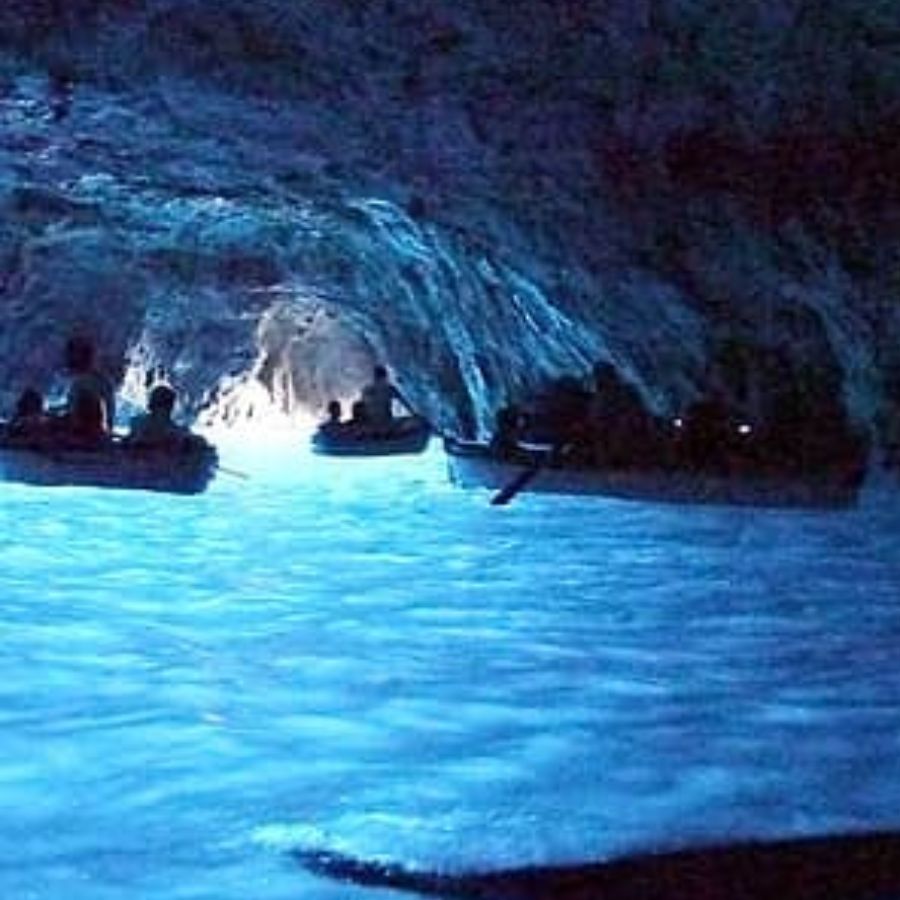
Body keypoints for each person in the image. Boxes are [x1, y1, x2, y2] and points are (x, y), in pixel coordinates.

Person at [60, 335, 116, 441]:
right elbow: (110, 406)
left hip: (85, 427)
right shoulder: (100, 380)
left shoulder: (94, 381)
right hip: (88, 426)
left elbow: (109, 406)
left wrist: (109, 429)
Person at [127, 384, 191, 448]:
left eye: (166, 405)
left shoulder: (178, 433)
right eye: (160, 404)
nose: (163, 410)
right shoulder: (138, 424)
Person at [359, 365, 406, 431]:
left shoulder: (366, 389)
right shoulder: (390, 389)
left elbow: (362, 407)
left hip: (369, 424)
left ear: (374, 376)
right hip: (386, 423)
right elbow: (404, 403)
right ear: (385, 377)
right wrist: (415, 416)